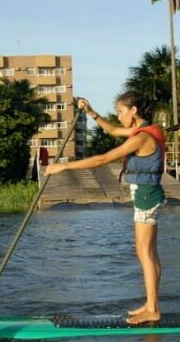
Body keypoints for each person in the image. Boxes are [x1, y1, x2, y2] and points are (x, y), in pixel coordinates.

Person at [44, 91, 166, 325]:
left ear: (134, 111)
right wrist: (91, 112)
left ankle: (153, 308)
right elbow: (112, 131)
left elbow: (103, 159)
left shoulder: (141, 137)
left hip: (146, 195)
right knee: (148, 251)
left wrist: (64, 167)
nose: (119, 116)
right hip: (148, 194)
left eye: (121, 111)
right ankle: (151, 304)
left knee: (144, 252)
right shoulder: (148, 130)